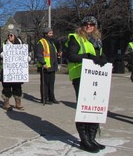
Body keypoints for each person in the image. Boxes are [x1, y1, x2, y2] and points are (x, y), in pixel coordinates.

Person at [65, 15, 107, 153]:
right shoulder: (75, 37)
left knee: (95, 107)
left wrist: (103, 59)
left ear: (95, 26)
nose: (89, 26)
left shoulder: (97, 40)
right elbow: (71, 56)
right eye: (86, 24)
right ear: (82, 25)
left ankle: (92, 138)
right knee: (84, 108)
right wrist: (89, 58)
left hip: (95, 78)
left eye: (92, 24)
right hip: (80, 77)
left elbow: (100, 55)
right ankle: (84, 141)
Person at [0, 24, 28, 111]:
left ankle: (18, 103)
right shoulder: (4, 44)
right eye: (8, 35)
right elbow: (0, 54)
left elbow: (25, 54)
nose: (9, 37)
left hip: (17, 71)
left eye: (11, 35)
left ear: (15, 35)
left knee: (17, 87)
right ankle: (6, 103)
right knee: (7, 88)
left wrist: (27, 58)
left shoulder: (21, 44)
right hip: (7, 70)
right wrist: (3, 54)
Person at [36, 27, 60, 105]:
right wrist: (43, 63)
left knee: (51, 83)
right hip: (45, 67)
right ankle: (44, 99)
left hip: (52, 66)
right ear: (46, 34)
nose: (52, 34)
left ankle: (51, 98)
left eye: (52, 33)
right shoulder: (41, 42)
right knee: (45, 84)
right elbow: (39, 54)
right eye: (50, 33)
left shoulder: (51, 42)